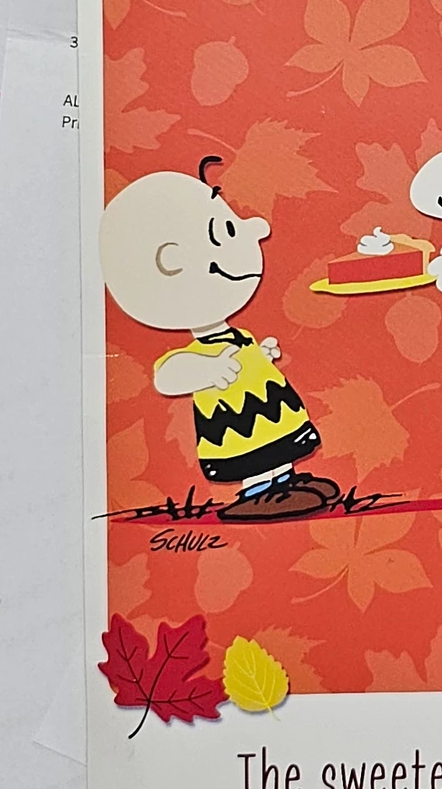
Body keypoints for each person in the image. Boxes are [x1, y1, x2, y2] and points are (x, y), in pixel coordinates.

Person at [98, 156, 338, 520]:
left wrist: (261, 355)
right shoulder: (195, 352)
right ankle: (257, 493)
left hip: (269, 410)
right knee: (256, 454)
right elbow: (168, 376)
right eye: (224, 231)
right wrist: (208, 370)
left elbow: (242, 356)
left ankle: (283, 482)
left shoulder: (238, 335)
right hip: (236, 425)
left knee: (277, 449)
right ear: (172, 262)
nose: (255, 230)